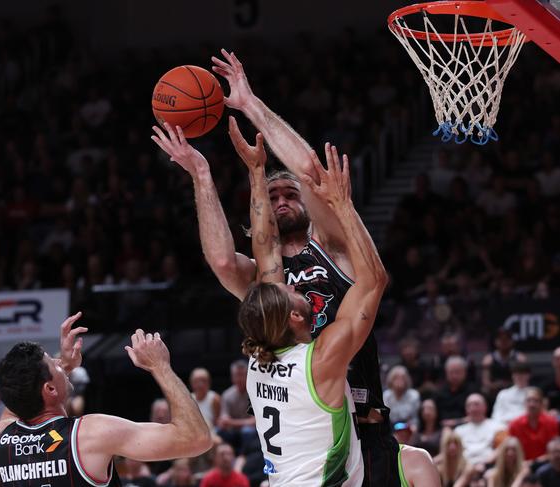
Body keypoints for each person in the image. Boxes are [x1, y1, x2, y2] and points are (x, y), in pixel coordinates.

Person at [150, 51, 402, 487]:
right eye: (273, 196)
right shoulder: (263, 282)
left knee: (417, 465)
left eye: (291, 194)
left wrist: (250, 105)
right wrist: (201, 177)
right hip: (307, 428)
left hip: (363, 419)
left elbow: (312, 172)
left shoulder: (336, 250)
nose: (283, 199)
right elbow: (223, 260)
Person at [237, 144, 437, 486]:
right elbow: (374, 281)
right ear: (297, 319)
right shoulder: (322, 359)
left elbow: (265, 248)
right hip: (342, 452)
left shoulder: (260, 360)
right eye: (289, 292)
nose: (289, 286)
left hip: (301, 464)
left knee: (418, 462)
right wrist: (344, 206)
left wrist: (256, 173)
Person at [0, 312, 212, 487]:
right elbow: (195, 438)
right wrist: (161, 367)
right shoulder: (90, 434)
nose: (60, 363)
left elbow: (14, 399)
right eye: (54, 363)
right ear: (49, 388)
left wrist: (62, 369)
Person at [508, 387, 559, 462]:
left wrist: (536, 462)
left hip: (545, 463)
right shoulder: (515, 424)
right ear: (524, 403)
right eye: (529, 400)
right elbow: (511, 451)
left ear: (542, 403)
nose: (532, 404)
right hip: (522, 465)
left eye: (536, 401)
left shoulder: (552, 423)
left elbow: (556, 451)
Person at [453, 394, 504, 466]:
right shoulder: (458, 431)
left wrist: (487, 462)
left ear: (485, 407)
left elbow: (503, 447)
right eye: (469, 405)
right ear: (466, 409)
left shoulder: (498, 427)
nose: (473, 408)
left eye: (476, 404)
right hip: (463, 466)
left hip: (489, 465)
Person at [216, 361, 256, 452]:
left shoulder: (254, 394)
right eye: (237, 375)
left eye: (242, 375)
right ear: (232, 377)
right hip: (233, 431)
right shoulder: (227, 395)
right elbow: (224, 418)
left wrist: (231, 422)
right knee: (218, 430)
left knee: (247, 431)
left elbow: (254, 422)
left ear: (247, 376)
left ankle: (244, 457)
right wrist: (224, 421)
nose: (239, 378)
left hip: (249, 432)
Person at [490, 362, 530, 427]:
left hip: (526, 427)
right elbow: (496, 416)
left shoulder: (534, 393)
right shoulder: (503, 394)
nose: (519, 377)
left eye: (522, 374)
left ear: (528, 375)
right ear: (512, 375)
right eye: (516, 374)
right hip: (505, 428)